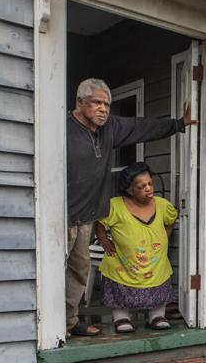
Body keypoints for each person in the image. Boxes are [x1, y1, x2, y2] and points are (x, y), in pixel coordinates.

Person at [66, 78, 195, 337]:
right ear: (80, 103)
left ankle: (70, 321)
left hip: (87, 216)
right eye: (97, 103)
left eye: (107, 104)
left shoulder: (109, 128)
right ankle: (47, 325)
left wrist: (178, 124)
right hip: (60, 215)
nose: (103, 109)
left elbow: (141, 127)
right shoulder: (63, 128)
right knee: (52, 270)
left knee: (79, 270)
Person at [94, 163, 178, 333]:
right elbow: (100, 223)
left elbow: (171, 220)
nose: (148, 188)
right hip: (124, 262)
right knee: (118, 282)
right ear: (130, 190)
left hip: (155, 262)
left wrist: (164, 237)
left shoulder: (162, 205)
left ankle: (156, 316)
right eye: (142, 186)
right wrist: (103, 239)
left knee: (159, 283)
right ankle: (121, 317)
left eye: (150, 184)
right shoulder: (115, 206)